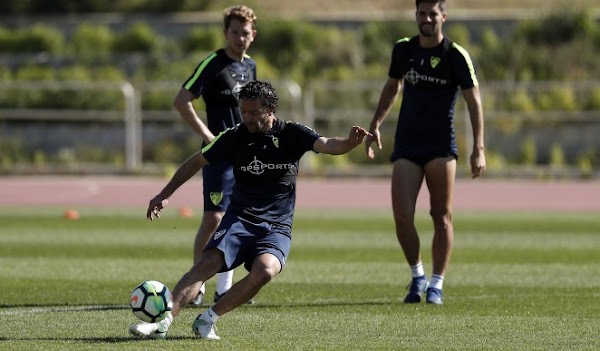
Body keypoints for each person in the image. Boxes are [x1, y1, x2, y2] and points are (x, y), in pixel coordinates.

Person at [130, 80, 371, 340]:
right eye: (243, 112)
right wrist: (164, 195)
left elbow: (327, 144)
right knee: (207, 262)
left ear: (271, 110)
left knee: (266, 270)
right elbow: (197, 160)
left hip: (277, 226)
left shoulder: (291, 134)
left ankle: (207, 319)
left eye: (254, 113)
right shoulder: (234, 137)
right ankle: (162, 324)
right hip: (240, 218)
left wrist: (349, 143)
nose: (247, 118)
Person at [364, 0, 486, 305]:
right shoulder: (403, 49)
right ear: (416, 16)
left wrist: (478, 149)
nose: (427, 18)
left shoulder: (455, 55)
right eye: (422, 13)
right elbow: (392, 87)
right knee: (402, 215)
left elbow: (474, 102)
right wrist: (376, 123)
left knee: (441, 216)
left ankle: (437, 283)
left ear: (443, 16)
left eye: (433, 13)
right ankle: (417, 275)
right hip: (407, 144)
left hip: (441, 147)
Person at [172, 5, 257, 306]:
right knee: (214, 218)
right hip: (220, 156)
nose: (240, 38)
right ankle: (197, 287)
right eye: (235, 32)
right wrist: (207, 135)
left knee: (239, 219)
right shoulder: (212, 63)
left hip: (247, 156)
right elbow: (182, 100)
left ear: (253, 35)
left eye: (245, 33)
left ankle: (224, 289)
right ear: (226, 33)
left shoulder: (251, 67)